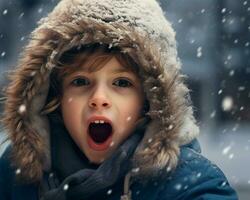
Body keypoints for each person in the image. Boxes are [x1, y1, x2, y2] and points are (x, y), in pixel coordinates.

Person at [0, 0, 238, 199]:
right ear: (54, 96)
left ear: (150, 101)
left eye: (122, 83)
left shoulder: (190, 187)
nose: (99, 99)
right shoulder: (15, 176)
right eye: (81, 82)